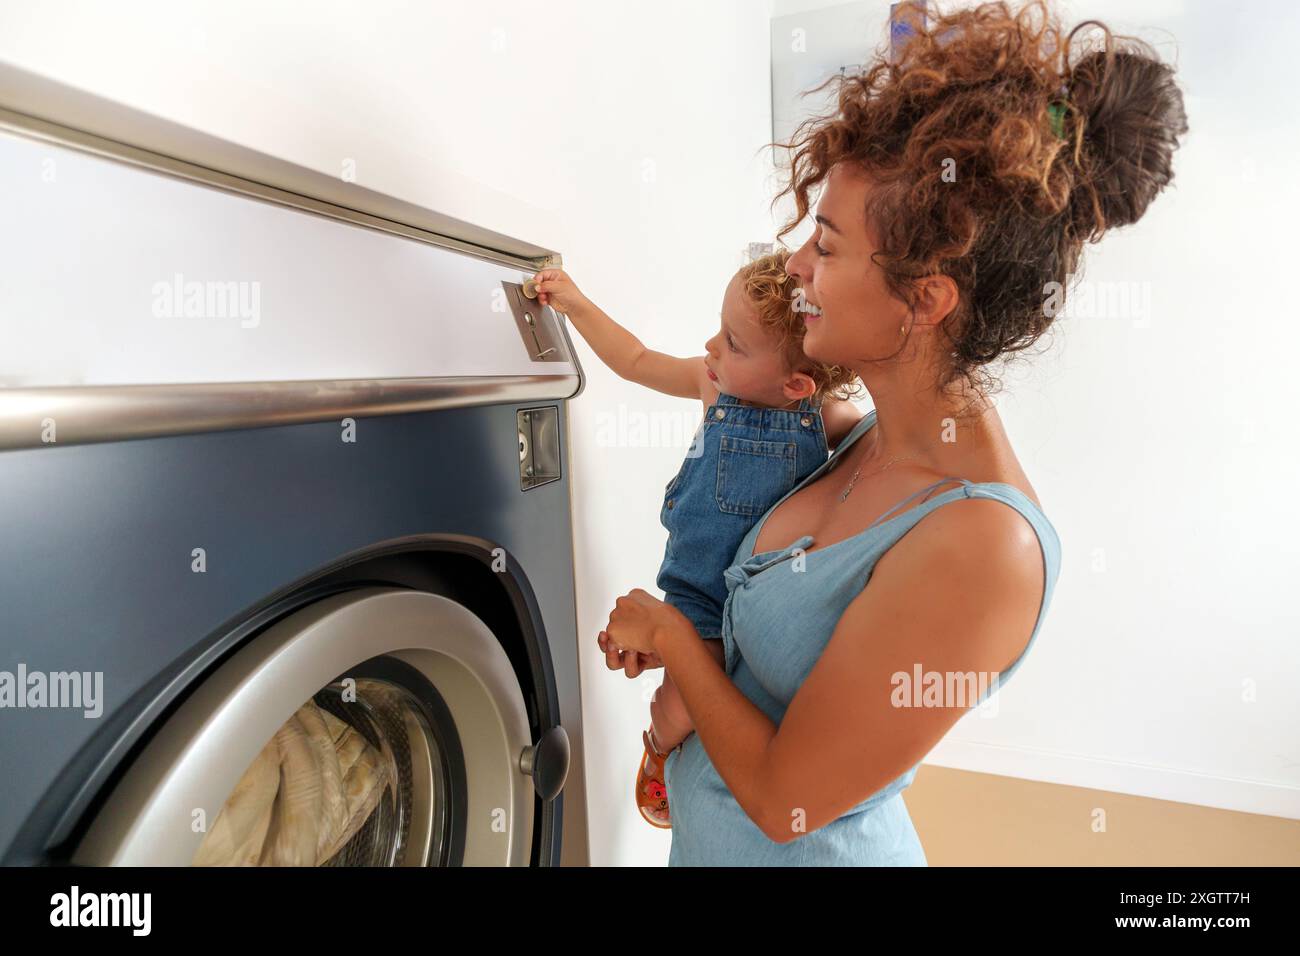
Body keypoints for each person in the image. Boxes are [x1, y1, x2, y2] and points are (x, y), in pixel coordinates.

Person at [599, 0, 1188, 864]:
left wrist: (678, 645)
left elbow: (784, 801)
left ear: (925, 301)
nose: (795, 264)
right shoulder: (853, 436)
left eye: (827, 247)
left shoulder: (987, 545)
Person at [529, 250, 863, 827]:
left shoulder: (825, 417)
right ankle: (658, 747)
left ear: (796, 382)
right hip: (698, 600)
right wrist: (576, 306)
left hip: (766, 602)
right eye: (719, 329)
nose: (711, 348)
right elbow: (635, 360)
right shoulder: (712, 385)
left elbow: (882, 452)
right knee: (678, 705)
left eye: (733, 343)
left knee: (750, 702)